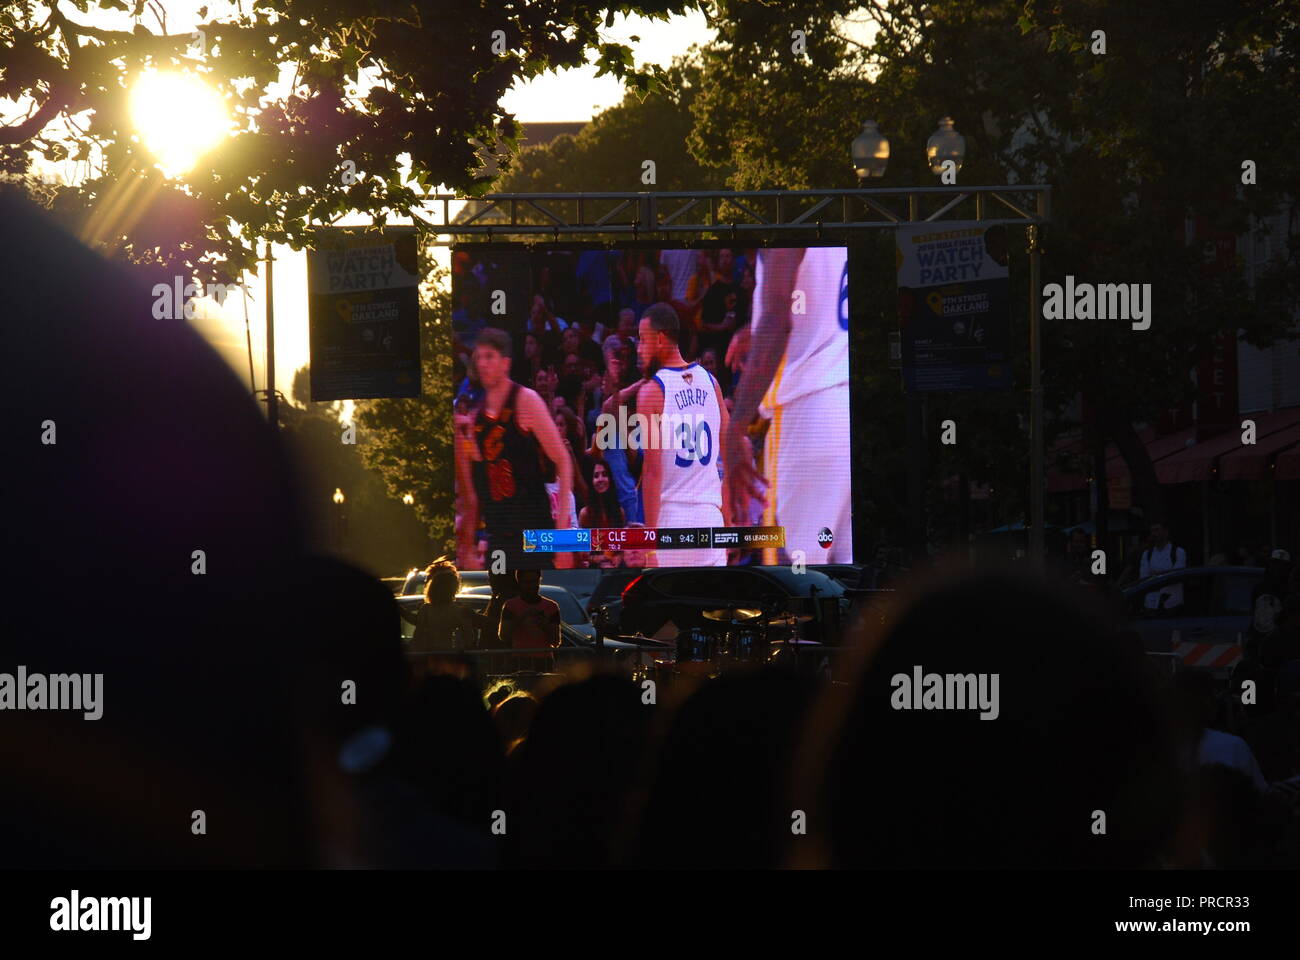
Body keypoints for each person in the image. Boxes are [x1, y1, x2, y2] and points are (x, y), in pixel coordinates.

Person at [721, 246, 853, 565]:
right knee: (839, 580)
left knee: (788, 580)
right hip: (842, 402)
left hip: (806, 411)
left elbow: (777, 319)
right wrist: (753, 328)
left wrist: (735, 428)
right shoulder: (827, 229)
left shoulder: (781, 219)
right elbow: (810, 303)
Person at [454, 328, 573, 571]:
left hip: (534, 531)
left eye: (489, 357)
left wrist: (562, 538)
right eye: (479, 357)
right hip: (498, 535)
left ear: (506, 363)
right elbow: (473, 494)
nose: (483, 363)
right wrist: (467, 547)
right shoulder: (475, 418)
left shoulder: (524, 400)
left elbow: (563, 460)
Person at [636, 302, 731, 567]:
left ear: (661, 339)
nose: (639, 349)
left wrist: (650, 545)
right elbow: (730, 458)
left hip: (671, 519)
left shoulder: (651, 391)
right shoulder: (712, 383)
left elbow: (652, 472)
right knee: (712, 607)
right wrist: (730, 525)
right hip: (711, 518)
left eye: (643, 340)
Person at [404, 560, 491, 653]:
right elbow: (469, 637)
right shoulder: (460, 611)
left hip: (430, 656)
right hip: (450, 655)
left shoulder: (425, 609)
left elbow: (418, 635)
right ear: (454, 589)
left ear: (432, 587)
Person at [499, 569, 562, 661]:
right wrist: (521, 618)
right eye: (527, 582)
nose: (532, 586)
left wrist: (545, 625)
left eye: (535, 581)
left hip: (543, 660)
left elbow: (556, 642)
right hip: (519, 660)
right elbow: (503, 636)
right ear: (519, 582)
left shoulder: (552, 606)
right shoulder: (510, 606)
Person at [1138, 520, 1187, 610]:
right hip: (1151, 604)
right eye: (1152, 531)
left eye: (1157, 530)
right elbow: (1143, 578)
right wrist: (1165, 573)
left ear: (1166, 532)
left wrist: (1155, 575)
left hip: (1173, 604)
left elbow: (1176, 576)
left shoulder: (1178, 552)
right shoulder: (1147, 554)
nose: (1154, 534)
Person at [579, 459, 626, 529]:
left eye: (604, 474)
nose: (600, 479)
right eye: (596, 476)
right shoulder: (585, 514)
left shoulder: (620, 512)